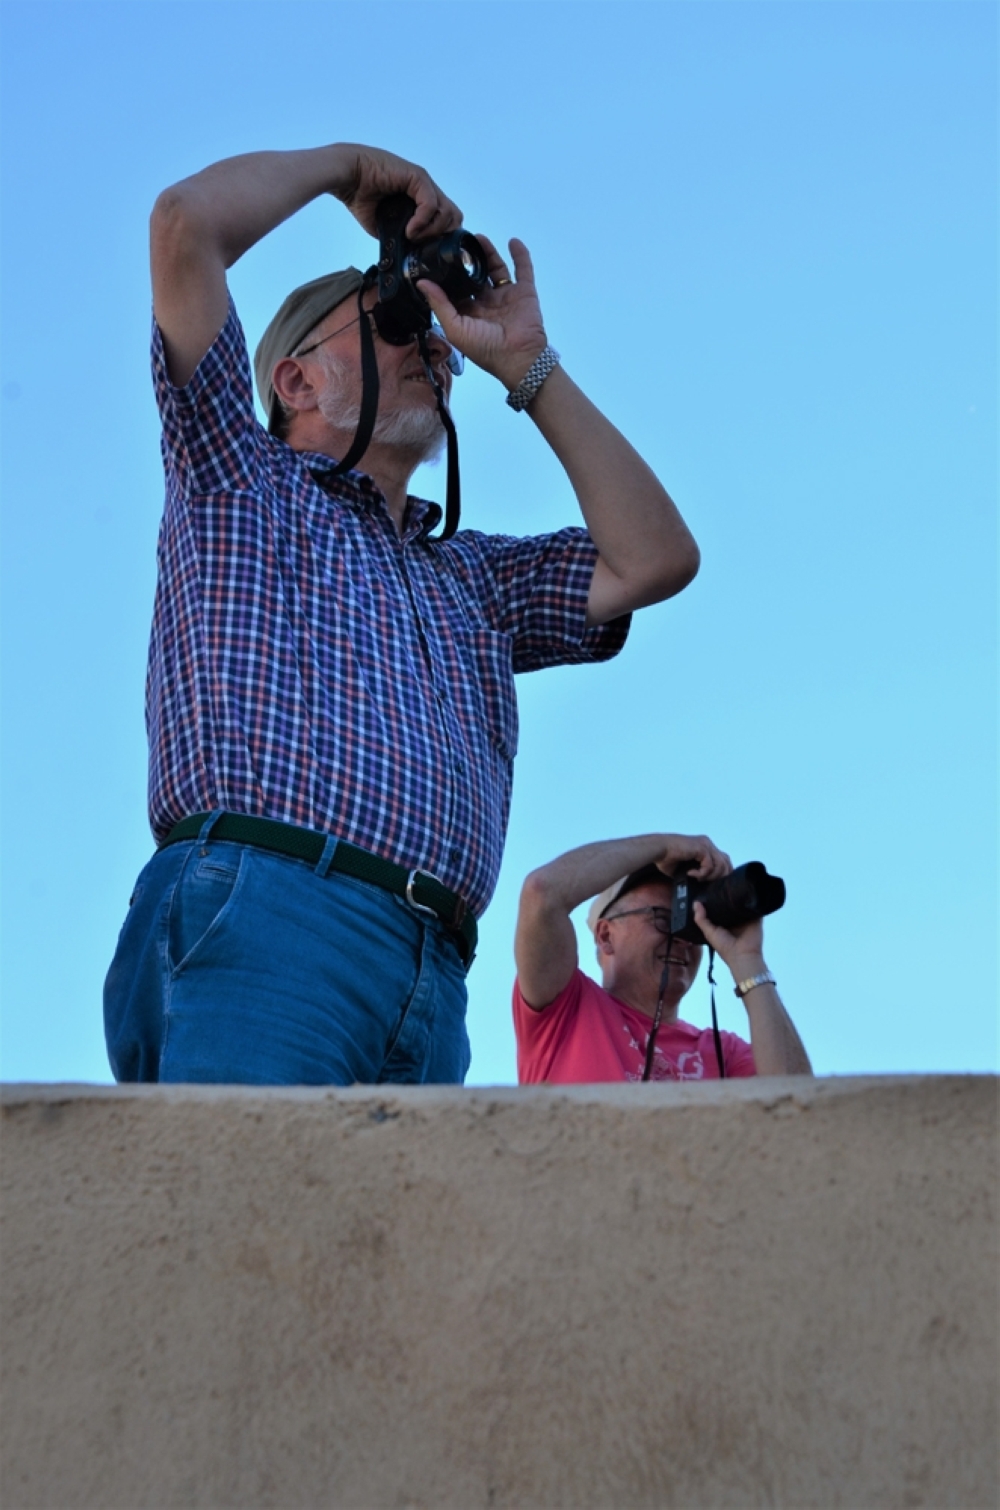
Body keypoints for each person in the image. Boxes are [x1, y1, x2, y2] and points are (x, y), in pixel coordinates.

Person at [104, 143, 702, 1087]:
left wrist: (527, 366)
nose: (428, 342)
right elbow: (185, 226)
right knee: (248, 1225)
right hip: (269, 908)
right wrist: (346, 170)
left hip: (435, 969)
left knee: (392, 1243)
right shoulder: (237, 479)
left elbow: (657, 558)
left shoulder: (469, 575)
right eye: (393, 320)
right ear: (295, 383)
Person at [514, 832, 812, 1082]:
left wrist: (748, 959)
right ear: (606, 936)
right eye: (664, 918)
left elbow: (800, 1106)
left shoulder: (722, 1052)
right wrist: (664, 847)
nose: (681, 937)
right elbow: (542, 893)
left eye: (692, 923)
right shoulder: (565, 1010)